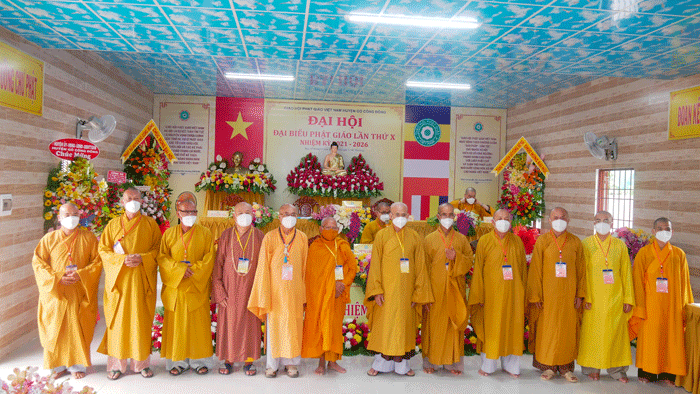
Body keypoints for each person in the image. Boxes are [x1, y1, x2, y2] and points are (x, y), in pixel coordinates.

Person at [32, 203, 102, 380]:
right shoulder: (48, 239)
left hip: (79, 290)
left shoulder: (89, 238)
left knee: (77, 327)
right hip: (57, 292)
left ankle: (77, 365)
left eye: (75, 214)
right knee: (55, 328)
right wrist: (57, 278)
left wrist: (81, 274)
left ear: (80, 216)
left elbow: (97, 262)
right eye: (67, 214)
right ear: (59, 217)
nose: (72, 218)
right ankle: (57, 366)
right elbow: (38, 263)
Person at [97, 187, 161, 380]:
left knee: (140, 323)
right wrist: (121, 260)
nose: (133, 201)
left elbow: (158, 250)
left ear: (141, 201)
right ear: (122, 202)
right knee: (119, 324)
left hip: (141, 281)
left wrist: (142, 258)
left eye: (136, 198)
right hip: (119, 283)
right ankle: (117, 365)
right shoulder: (113, 224)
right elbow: (103, 250)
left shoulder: (151, 224)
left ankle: (141, 363)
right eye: (129, 198)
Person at [364, 202, 433, 376]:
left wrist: (418, 293)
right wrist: (376, 290)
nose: (400, 218)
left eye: (404, 214)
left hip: (407, 293)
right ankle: (380, 364)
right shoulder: (381, 235)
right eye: (397, 214)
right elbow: (375, 266)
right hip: (386, 292)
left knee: (404, 328)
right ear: (391, 216)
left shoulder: (415, 236)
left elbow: (421, 267)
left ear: (408, 215)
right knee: (385, 327)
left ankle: (402, 365)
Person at [248, 204, 308, 378]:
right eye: (286, 214)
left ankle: (292, 364)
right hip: (275, 292)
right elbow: (262, 267)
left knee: (293, 327)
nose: (289, 217)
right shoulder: (270, 237)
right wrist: (264, 292)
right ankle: (271, 365)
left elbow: (305, 268)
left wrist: (303, 292)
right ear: (279, 216)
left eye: (293, 214)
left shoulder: (302, 237)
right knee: (274, 328)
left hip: (295, 292)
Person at [630, 217, 694, 385]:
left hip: (672, 306)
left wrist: (684, 308)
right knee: (650, 340)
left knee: (670, 339)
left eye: (667, 228)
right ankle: (647, 373)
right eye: (660, 228)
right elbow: (637, 282)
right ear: (653, 231)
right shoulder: (644, 253)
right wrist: (640, 307)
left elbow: (685, 284)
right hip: (650, 305)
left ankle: (668, 374)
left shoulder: (679, 254)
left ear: (672, 232)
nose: (664, 231)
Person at [526, 207, 586, 383]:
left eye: (563, 217)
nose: (559, 220)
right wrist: (536, 296)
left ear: (568, 220)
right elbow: (535, 269)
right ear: (549, 220)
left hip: (569, 296)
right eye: (555, 217)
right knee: (548, 330)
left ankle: (566, 368)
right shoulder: (543, 241)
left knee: (567, 330)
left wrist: (580, 295)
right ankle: (549, 367)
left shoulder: (575, 242)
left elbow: (581, 271)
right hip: (547, 296)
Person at [158, 200, 215, 375]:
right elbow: (162, 258)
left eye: (193, 211)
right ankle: (178, 361)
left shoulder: (205, 233)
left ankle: (199, 361)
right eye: (186, 211)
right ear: (178, 212)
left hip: (196, 287)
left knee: (198, 326)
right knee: (177, 326)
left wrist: (193, 271)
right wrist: (180, 270)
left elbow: (209, 259)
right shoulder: (169, 234)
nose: (190, 214)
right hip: (176, 288)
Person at [467, 209, 527, 378]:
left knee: (512, 329)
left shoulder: (517, 242)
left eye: (506, 219)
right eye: (499, 218)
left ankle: (511, 366)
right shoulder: (484, 241)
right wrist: (479, 295)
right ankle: (488, 365)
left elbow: (523, 270)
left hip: (513, 294)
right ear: (492, 222)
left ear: (511, 222)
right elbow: (477, 270)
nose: (503, 221)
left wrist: (523, 293)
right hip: (491, 296)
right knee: (492, 329)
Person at [578, 211, 634, 383]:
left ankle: (617, 370)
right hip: (593, 299)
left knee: (615, 335)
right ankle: (591, 368)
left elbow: (626, 273)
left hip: (614, 298)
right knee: (592, 335)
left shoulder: (619, 245)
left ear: (611, 222)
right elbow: (582, 274)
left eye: (605, 220)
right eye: (598, 220)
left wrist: (628, 299)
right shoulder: (586, 244)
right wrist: (584, 296)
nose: (601, 223)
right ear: (593, 222)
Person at [212, 202, 264, 376]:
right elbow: (218, 265)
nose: (244, 215)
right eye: (240, 212)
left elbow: (264, 267)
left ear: (253, 214)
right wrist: (219, 291)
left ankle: (249, 360)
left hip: (252, 290)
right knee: (229, 323)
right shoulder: (226, 235)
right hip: (229, 289)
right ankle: (228, 359)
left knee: (250, 324)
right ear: (233, 215)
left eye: (248, 212)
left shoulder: (259, 236)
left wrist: (261, 291)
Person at [302, 217, 358, 374]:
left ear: (339, 230)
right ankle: (321, 362)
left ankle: (332, 362)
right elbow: (310, 274)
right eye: (327, 227)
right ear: (320, 229)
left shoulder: (342, 246)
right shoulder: (315, 247)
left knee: (333, 327)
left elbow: (353, 268)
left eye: (334, 227)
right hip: (319, 295)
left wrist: (343, 284)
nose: (330, 230)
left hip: (337, 294)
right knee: (320, 326)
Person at [421, 203, 473, 375]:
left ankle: (453, 364)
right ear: (438, 216)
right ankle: (431, 363)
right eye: (444, 214)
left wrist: (456, 257)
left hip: (455, 290)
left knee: (453, 325)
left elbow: (468, 261)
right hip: (434, 292)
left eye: (451, 215)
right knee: (434, 326)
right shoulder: (429, 239)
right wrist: (425, 295)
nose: (448, 218)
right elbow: (423, 269)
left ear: (454, 217)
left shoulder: (461, 239)